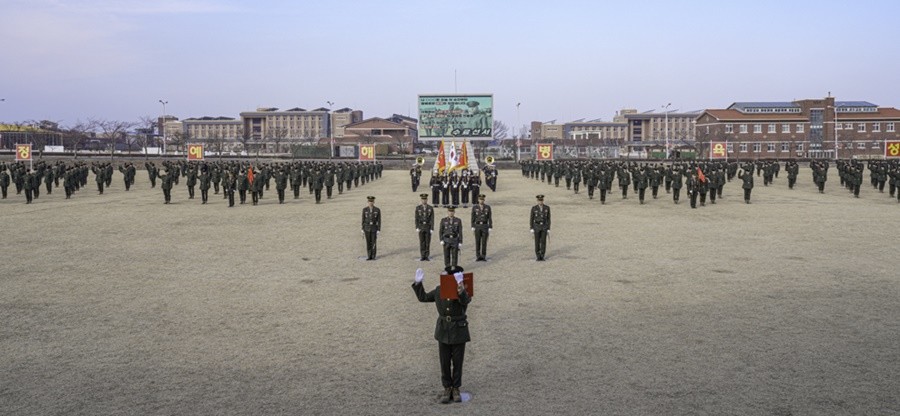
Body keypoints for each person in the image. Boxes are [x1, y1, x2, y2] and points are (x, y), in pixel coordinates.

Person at [411, 267, 471, 404]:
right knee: (444, 362)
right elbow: (424, 298)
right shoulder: (439, 290)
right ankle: (447, 388)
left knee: (457, 361)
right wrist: (418, 283)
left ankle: (456, 388)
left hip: (458, 330)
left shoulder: (464, 289)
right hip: (443, 330)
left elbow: (465, 302)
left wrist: (461, 288)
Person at [470, 194, 492, 261]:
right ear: (478, 200)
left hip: (485, 226)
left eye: (482, 199)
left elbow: (489, 218)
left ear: (484, 200)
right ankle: (478, 255)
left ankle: (483, 255)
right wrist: (472, 226)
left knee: (484, 241)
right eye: (480, 199)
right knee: (478, 241)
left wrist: (490, 226)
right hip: (477, 226)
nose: (481, 201)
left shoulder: (488, 207)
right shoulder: (475, 207)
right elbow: (472, 217)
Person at [530, 194, 551, 261]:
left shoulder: (547, 208)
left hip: (544, 226)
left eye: (541, 200)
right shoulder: (534, 208)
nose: (540, 202)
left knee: (543, 242)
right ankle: (538, 255)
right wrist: (531, 228)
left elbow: (548, 218)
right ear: (537, 201)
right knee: (537, 242)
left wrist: (548, 228)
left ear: (543, 200)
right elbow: (531, 218)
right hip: (537, 226)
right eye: (539, 200)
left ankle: (542, 255)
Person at [415, 193, 434, 261]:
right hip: (421, 226)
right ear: (421, 200)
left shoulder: (430, 208)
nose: (424, 200)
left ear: (427, 200)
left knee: (427, 242)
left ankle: (427, 255)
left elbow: (432, 219)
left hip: (428, 227)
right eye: (423, 199)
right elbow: (416, 218)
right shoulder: (418, 208)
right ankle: (422, 255)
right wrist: (417, 227)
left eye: (425, 199)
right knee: (422, 241)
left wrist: (432, 228)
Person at [361, 196, 381, 260]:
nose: (370, 203)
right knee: (368, 242)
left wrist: (378, 229)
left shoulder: (377, 210)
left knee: (373, 242)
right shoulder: (365, 210)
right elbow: (363, 219)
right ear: (367, 202)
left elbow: (379, 220)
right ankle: (369, 256)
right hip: (367, 228)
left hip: (374, 228)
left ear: (374, 202)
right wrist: (362, 228)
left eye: (372, 201)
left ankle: (373, 256)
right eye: (369, 201)